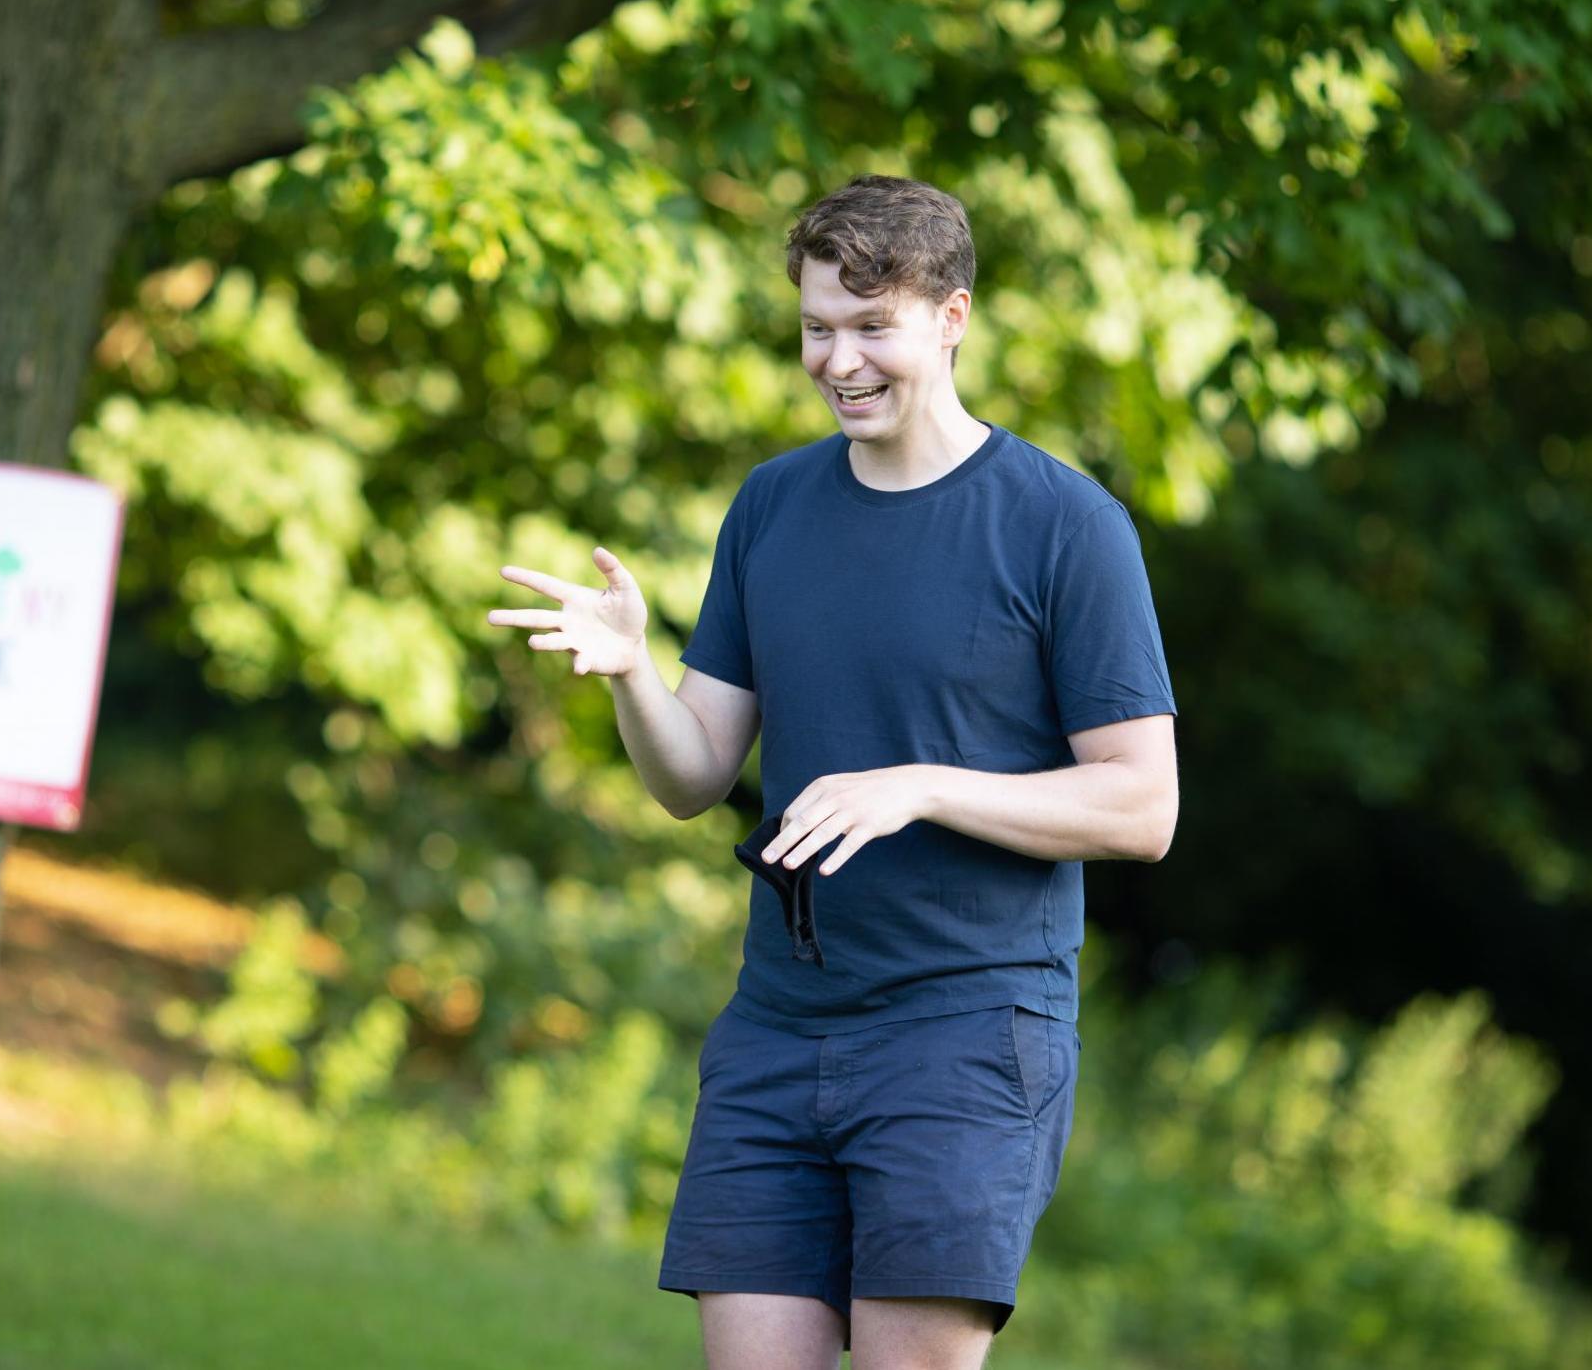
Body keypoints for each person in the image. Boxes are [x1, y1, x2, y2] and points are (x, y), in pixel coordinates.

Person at [486, 174, 1179, 1369]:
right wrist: (631, 674)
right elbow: (694, 772)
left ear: (951, 317)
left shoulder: (1063, 525)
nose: (838, 360)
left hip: (965, 1029)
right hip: (777, 1027)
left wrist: (916, 783)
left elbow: (1140, 803)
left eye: (872, 326)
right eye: (817, 327)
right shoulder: (772, 505)